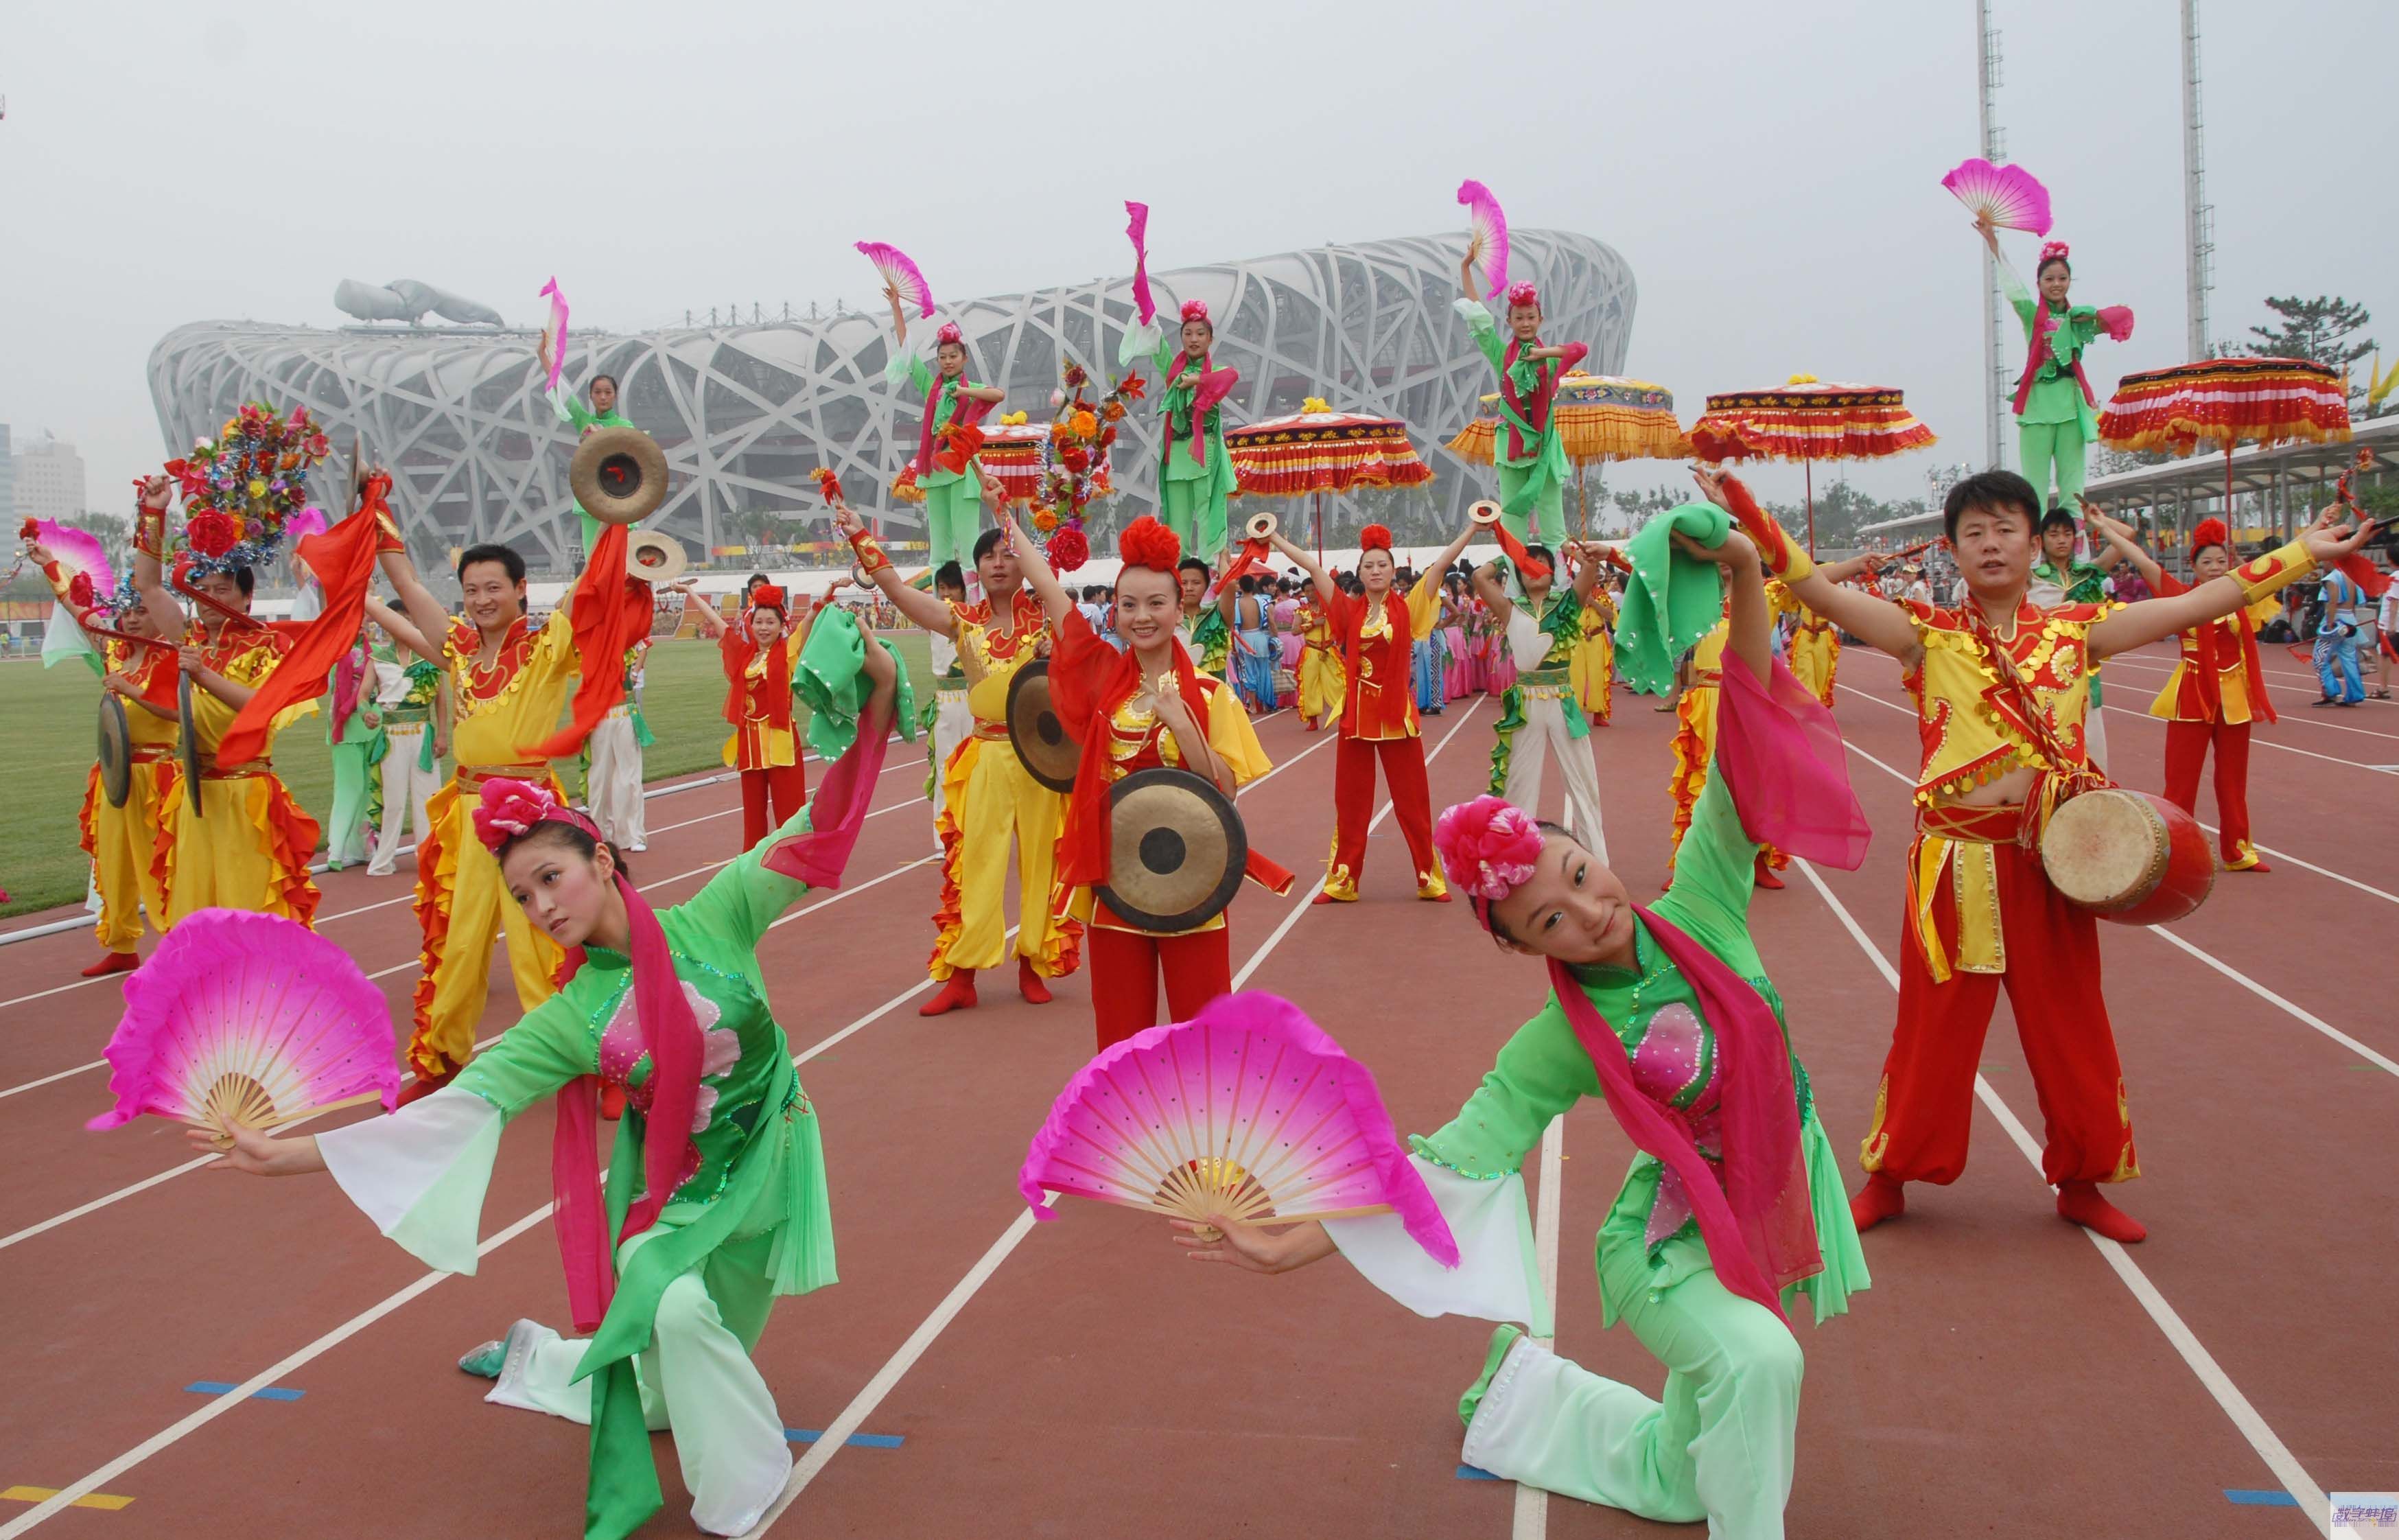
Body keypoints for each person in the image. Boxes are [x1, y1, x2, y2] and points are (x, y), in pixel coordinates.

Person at [1174, 518, 1868, 1539]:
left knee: (1685, 1478)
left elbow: (1746, 731)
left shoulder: (1705, 909)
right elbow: (1446, 1164)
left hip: (1765, 1193)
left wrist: (1751, 575)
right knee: (1763, 1362)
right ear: (1525, 947)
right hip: (1665, 1244)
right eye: (1553, 919)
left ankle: (1520, 1400)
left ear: (1592, 853)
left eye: (1581, 879)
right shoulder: (1560, 1040)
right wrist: (1290, 1248)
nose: (1589, 913)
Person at [189, 630, 899, 1540]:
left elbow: (823, 821)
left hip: (774, 1163)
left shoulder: (719, 914)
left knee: (659, 1395)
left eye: (551, 879)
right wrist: (287, 1153)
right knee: (671, 1306)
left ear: (603, 863)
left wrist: (878, 687)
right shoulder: (570, 1019)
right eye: (523, 898)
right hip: (676, 1197)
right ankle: (744, 1489)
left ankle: (546, 1361)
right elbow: (458, 1110)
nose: (543, 909)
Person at [1709, 465, 2369, 1244]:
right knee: (1931, 1029)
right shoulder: (1925, 632)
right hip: (1952, 865)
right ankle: (1888, 1177)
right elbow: (1818, 591)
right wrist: (1750, 516)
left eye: (2005, 530)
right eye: (1974, 534)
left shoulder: (2078, 631)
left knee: (2071, 1025)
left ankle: (2083, 1180)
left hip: (2050, 864)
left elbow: (2196, 603)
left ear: (2034, 542)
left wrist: (2299, 553)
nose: (1991, 545)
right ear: (1952, 550)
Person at [1015, 513, 1289, 1048]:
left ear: (1179, 605)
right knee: (1120, 1036)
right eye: (1129, 605)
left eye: (1156, 604)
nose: (1142, 617)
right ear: (1115, 611)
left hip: (1194, 883)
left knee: (1206, 1033)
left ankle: (1206, 1131)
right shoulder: (1103, 685)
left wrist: (1184, 726)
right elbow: (1052, 595)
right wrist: (1006, 518)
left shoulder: (1210, 694)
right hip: (1117, 884)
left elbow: (1227, 793)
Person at [836, 506, 1080, 1015]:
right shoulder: (961, 621)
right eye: (987, 556)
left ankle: (1033, 965)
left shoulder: (1052, 618)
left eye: (1007, 555)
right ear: (976, 568)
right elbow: (899, 594)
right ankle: (962, 975)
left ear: (1024, 564)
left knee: (1045, 862)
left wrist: (1011, 518)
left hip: (1043, 760)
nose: (997, 564)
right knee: (975, 866)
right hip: (988, 755)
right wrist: (859, 532)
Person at [367, 540, 586, 1095]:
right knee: (460, 944)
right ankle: (442, 1060)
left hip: (528, 814)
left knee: (539, 941)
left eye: (494, 588)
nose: (482, 599)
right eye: (470, 590)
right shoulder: (460, 647)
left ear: (520, 590)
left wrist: (609, 516)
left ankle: (575, 1058)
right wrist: (378, 522)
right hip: (468, 813)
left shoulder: (547, 644)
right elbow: (410, 587)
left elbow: (591, 592)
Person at [128, 477, 322, 927]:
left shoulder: (269, 646)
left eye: (222, 590)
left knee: (250, 905)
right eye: (203, 590)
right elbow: (149, 586)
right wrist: (154, 513)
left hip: (245, 792)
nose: (210, 600)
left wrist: (201, 674)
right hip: (196, 789)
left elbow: (261, 706)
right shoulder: (191, 639)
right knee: (196, 907)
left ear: (248, 596)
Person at [1275, 520, 1474, 903]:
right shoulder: (1349, 612)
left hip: (1396, 716)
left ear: (1393, 570)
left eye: (1382, 564)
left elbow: (1440, 566)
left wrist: (1473, 528)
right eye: (1369, 566)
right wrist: (1275, 539)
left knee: (1412, 801)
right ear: (1361, 573)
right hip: (1356, 718)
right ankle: (1342, 881)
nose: (1376, 571)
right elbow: (1315, 571)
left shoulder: (1410, 607)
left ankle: (1427, 876)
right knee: (1351, 803)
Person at [2087, 513, 2277, 872]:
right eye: (2208, 562)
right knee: (2181, 780)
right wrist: (2103, 527)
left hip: (2235, 699)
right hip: (2193, 695)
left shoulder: (2240, 598)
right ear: (2194, 567)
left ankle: (2238, 851)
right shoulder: (2181, 596)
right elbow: (2141, 559)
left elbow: (2278, 566)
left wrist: (2319, 528)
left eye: (2222, 561)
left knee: (2233, 779)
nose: (2216, 568)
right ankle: (2176, 849)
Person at [29, 537, 180, 973]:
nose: (131, 619)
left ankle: (176, 946)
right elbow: (82, 614)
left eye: (141, 611)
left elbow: (175, 712)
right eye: (127, 611)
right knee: (113, 864)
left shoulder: (172, 658)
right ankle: (121, 944)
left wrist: (132, 691)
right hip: (116, 778)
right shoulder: (114, 651)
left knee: (159, 867)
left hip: (156, 778)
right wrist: (50, 566)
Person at [1977, 223, 2133, 512]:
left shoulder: (2078, 320)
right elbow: (2013, 286)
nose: (2056, 284)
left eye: (2062, 278)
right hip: (2037, 405)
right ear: (2039, 284)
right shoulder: (2032, 314)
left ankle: (2075, 542)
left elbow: (2119, 316)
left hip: (2070, 406)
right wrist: (1992, 241)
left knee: (2072, 483)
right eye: (2049, 278)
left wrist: (2093, 316)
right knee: (2033, 486)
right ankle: (2033, 548)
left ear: (2070, 281)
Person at [1473, 541, 1611, 859]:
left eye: (1542, 563)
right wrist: (1509, 553)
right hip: (1526, 703)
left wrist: (1562, 546)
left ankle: (1596, 858)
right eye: (1528, 564)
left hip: (1562, 700)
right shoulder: (1510, 608)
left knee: (1583, 781)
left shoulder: (1567, 604)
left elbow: (1590, 568)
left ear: (1554, 570)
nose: (1534, 568)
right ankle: (1513, 856)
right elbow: (1481, 577)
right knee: (1518, 782)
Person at [1453, 274, 1589, 548]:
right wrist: (1466, 268)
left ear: (1540, 319)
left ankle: (1559, 584)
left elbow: (1579, 349)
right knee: (1513, 520)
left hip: (1545, 443)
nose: (1525, 323)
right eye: (1519, 318)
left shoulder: (1551, 361)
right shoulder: (1501, 353)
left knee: (1553, 523)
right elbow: (1479, 318)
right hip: (1511, 443)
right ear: (1510, 321)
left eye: (1530, 317)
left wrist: (1542, 354)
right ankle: (1516, 585)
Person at [681, 581, 811, 852]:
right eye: (758, 622)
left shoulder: (788, 653)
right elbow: (719, 624)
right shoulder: (744, 654)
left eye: (770, 622)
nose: (763, 628)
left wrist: (830, 592)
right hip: (750, 742)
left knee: (790, 807)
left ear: (781, 625)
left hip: (780, 740)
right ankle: (753, 861)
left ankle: (795, 858)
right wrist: (691, 593)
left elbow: (808, 624)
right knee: (753, 811)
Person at [882, 299, 1005, 570]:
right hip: (935, 468)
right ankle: (942, 602)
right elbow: (907, 352)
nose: (948, 362)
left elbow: (998, 394)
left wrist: (964, 393)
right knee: (939, 548)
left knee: (968, 541)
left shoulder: (969, 388)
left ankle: (975, 604)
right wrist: (896, 308)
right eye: (943, 357)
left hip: (962, 468)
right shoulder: (932, 388)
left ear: (964, 359)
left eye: (953, 356)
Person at [1119, 300, 1239, 562]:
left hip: (1204, 452)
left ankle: (1211, 571)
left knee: (1208, 514)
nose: (1194, 339)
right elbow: (1156, 340)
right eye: (1188, 334)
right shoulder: (1173, 370)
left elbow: (1231, 376)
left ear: (1210, 339)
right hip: (1176, 454)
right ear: (1182, 337)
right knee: (1177, 520)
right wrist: (1146, 305)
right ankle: (1180, 574)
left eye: (1200, 334)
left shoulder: (1216, 372)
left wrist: (1198, 380)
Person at [2028, 506, 2120, 769]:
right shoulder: (2029, 579)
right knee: (2047, 753)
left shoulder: (2089, 575)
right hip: (2044, 677)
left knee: (2093, 751)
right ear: (2041, 540)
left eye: (2067, 534)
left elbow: (2127, 537)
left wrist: (2097, 521)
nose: (2061, 540)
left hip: (2084, 674)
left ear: (2075, 539)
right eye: (2054, 534)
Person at [535, 335, 633, 554]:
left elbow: (633, 457)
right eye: (598, 392)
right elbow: (562, 390)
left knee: (622, 559)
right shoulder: (584, 421)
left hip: (620, 498)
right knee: (594, 558)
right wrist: (542, 354)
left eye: (608, 392)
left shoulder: (625, 426)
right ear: (590, 396)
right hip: (592, 496)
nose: (603, 397)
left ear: (615, 396)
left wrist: (600, 439)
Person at [366, 622, 447, 878]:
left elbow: (440, 699)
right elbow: (363, 695)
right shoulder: (378, 658)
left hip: (422, 734)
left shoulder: (429, 656)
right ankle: (383, 860)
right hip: (392, 736)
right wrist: (365, 712)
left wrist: (443, 734)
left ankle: (429, 857)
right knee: (394, 801)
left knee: (428, 798)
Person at [322, 623, 377, 870]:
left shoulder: (375, 651)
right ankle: (336, 848)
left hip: (372, 725)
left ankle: (364, 847)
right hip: (344, 727)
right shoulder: (332, 653)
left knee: (369, 789)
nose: (362, 622)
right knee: (348, 789)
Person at [2313, 565, 2371, 706]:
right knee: (2349, 658)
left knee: (2319, 657)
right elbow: (2354, 603)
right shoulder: (2350, 576)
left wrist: (2330, 624)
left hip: (2337, 620)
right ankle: (2355, 694)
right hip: (2349, 618)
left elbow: (2333, 602)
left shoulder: (2332, 578)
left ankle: (2331, 692)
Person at [1293, 581, 1346, 732]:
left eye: (1313, 590)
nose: (1311, 594)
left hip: (1329, 650)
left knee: (1338, 683)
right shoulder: (1301, 611)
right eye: (1307, 591)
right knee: (1310, 686)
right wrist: (1313, 623)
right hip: (1311, 651)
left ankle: (1343, 714)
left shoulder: (1329, 607)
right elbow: (1295, 630)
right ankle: (1313, 720)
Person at [1571, 565, 1618, 725]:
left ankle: (1599, 714)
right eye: (1593, 573)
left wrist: (1593, 603)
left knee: (1597, 676)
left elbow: (1610, 616)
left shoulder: (1602, 595)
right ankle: (1575, 714)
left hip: (1597, 638)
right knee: (1576, 677)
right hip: (1577, 639)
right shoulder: (1574, 595)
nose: (1597, 576)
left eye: (1597, 573)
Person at [1228, 574, 1278, 714]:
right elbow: (1271, 621)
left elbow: (1233, 626)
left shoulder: (1237, 603)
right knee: (1264, 670)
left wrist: (1233, 645)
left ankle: (1253, 706)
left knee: (1248, 672)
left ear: (1241, 587)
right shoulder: (1262, 601)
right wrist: (1275, 636)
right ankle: (1268, 703)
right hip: (1260, 636)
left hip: (1244, 638)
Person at [1178, 554, 1232, 676]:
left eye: (1196, 583)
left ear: (1207, 586)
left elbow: (1229, 585)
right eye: (1183, 583)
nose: (1189, 588)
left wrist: (1222, 557)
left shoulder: (1217, 615)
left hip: (1215, 693)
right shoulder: (1167, 619)